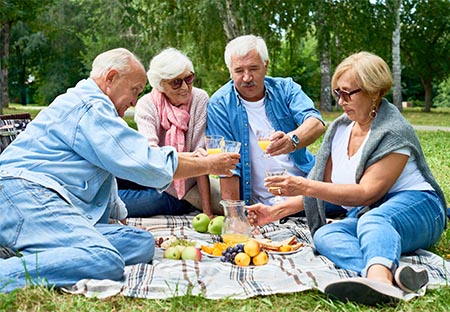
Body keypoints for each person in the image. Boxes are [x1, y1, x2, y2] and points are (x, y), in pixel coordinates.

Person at [0, 48, 239, 293]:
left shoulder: (97, 109)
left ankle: (32, 249)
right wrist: (210, 164)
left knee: (139, 243)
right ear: (111, 78)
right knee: (105, 259)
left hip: (43, 202)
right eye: (135, 90)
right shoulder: (90, 107)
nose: (136, 100)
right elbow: (142, 161)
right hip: (22, 194)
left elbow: (108, 172)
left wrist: (120, 215)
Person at [246, 51, 447, 305]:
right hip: (369, 216)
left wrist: (303, 184)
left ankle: (380, 282)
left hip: (420, 209)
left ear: (374, 92)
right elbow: (329, 189)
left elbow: (366, 194)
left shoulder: (394, 132)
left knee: (374, 218)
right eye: (337, 93)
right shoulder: (340, 129)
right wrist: (276, 211)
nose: (341, 101)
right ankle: (390, 275)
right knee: (325, 235)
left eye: (349, 93)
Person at [207, 35, 328, 212]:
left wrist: (291, 140)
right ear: (230, 71)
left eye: (253, 68)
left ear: (266, 65)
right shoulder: (220, 104)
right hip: (260, 204)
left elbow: (316, 122)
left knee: (357, 194)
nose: (247, 77)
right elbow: (228, 167)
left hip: (306, 189)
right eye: (239, 71)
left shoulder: (286, 89)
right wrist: (234, 217)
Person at [117, 48, 221, 219]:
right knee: (107, 176)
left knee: (116, 202)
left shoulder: (199, 99)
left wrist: (207, 211)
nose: (185, 87)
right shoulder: (147, 104)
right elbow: (149, 155)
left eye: (189, 78)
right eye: (176, 82)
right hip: (151, 172)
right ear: (160, 84)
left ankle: (90, 204)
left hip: (178, 190)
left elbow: (201, 160)